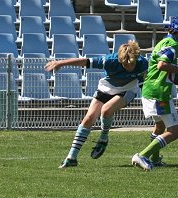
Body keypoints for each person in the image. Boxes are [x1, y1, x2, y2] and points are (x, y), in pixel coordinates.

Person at [45, 40, 148, 168]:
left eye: (131, 65)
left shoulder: (143, 64)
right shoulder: (110, 60)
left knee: (106, 110)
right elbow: (85, 62)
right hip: (106, 87)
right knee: (88, 118)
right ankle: (72, 157)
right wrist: (60, 62)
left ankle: (103, 138)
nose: (128, 67)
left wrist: (147, 101)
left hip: (128, 89)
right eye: (124, 64)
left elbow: (145, 84)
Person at [131, 14, 178, 171]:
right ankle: (143, 155)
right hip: (158, 93)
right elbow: (162, 65)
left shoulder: (164, 42)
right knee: (175, 131)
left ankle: (155, 159)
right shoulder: (173, 45)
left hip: (150, 90)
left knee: (159, 127)